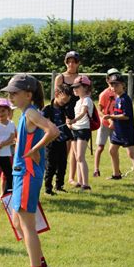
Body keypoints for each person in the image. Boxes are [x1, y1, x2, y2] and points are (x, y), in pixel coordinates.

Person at [0, 74, 59, 267]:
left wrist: (34, 150)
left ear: (28, 94)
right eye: (9, 93)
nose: (10, 97)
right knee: (17, 223)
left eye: (14, 93)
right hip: (20, 174)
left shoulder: (31, 113)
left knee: (27, 226)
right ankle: (42, 264)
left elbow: (53, 131)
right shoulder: (25, 114)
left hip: (27, 174)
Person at [103, 74, 134, 185]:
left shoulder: (125, 99)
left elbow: (126, 116)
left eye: (116, 85)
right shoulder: (117, 98)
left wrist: (111, 117)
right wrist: (113, 120)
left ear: (123, 85)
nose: (114, 87)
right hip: (118, 131)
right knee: (112, 151)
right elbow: (118, 113)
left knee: (131, 154)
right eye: (112, 85)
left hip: (126, 131)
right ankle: (116, 174)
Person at [54, 51, 80, 186]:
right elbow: (56, 98)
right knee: (64, 148)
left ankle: (71, 177)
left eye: (74, 61)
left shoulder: (81, 78)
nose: (71, 64)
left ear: (78, 63)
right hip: (63, 117)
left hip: (77, 116)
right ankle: (58, 175)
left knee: (76, 149)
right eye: (69, 61)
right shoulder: (60, 78)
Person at [42, 83, 73, 195]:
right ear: (56, 94)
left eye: (67, 101)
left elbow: (69, 120)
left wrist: (69, 122)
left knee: (62, 164)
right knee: (51, 165)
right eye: (63, 100)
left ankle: (59, 186)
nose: (65, 102)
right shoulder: (47, 109)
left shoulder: (64, 108)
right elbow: (43, 123)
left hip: (62, 140)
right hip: (51, 141)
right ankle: (48, 188)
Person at [67, 75, 93, 191]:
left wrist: (74, 120)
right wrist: (70, 124)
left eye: (77, 87)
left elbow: (83, 113)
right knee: (77, 157)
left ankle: (86, 184)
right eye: (74, 87)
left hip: (83, 130)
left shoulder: (87, 100)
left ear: (85, 87)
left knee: (80, 156)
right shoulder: (78, 101)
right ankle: (80, 181)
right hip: (75, 129)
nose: (74, 89)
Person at [93, 68, 121, 177]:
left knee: (114, 148)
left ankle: (116, 170)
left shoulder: (119, 93)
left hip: (116, 123)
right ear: (107, 79)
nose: (113, 81)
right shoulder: (104, 94)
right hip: (105, 124)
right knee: (100, 147)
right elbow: (99, 110)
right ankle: (96, 169)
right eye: (111, 77)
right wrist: (108, 119)